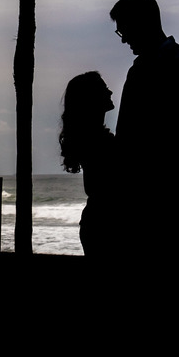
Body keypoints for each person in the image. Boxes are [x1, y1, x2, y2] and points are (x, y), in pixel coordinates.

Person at [110, 0, 179, 268]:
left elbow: (156, 134)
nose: (124, 38)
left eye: (124, 29)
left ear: (142, 22)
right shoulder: (168, 64)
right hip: (153, 193)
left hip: (161, 194)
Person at [59, 71, 123, 257]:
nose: (110, 92)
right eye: (104, 88)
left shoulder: (91, 136)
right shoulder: (95, 140)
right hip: (105, 225)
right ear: (91, 97)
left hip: (97, 222)